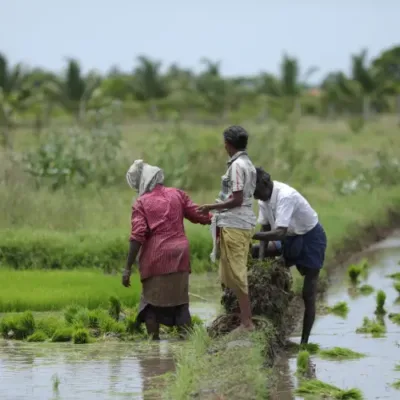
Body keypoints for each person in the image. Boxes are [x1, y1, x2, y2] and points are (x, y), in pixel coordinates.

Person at [122, 159, 212, 340]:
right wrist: (222, 218)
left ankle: (153, 347)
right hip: (180, 255)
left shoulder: (141, 203)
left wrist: (127, 267)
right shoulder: (177, 194)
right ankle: (188, 345)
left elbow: (137, 236)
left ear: (142, 182)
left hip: (157, 257)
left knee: (150, 306)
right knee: (180, 304)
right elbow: (199, 214)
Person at [252, 167, 327, 344]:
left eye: (254, 191)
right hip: (289, 238)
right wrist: (261, 262)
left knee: (308, 293)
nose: (253, 195)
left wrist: (250, 235)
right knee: (254, 251)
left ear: (265, 183)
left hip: (310, 239)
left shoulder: (285, 196)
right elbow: (264, 228)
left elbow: (278, 232)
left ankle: (304, 344)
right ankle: (268, 306)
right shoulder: (263, 199)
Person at [197, 125, 257, 332]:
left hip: (236, 223)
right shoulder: (248, 163)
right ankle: (237, 316)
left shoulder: (237, 166)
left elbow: (237, 199)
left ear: (228, 144)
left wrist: (210, 207)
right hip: (239, 222)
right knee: (231, 273)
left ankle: (246, 322)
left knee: (237, 273)